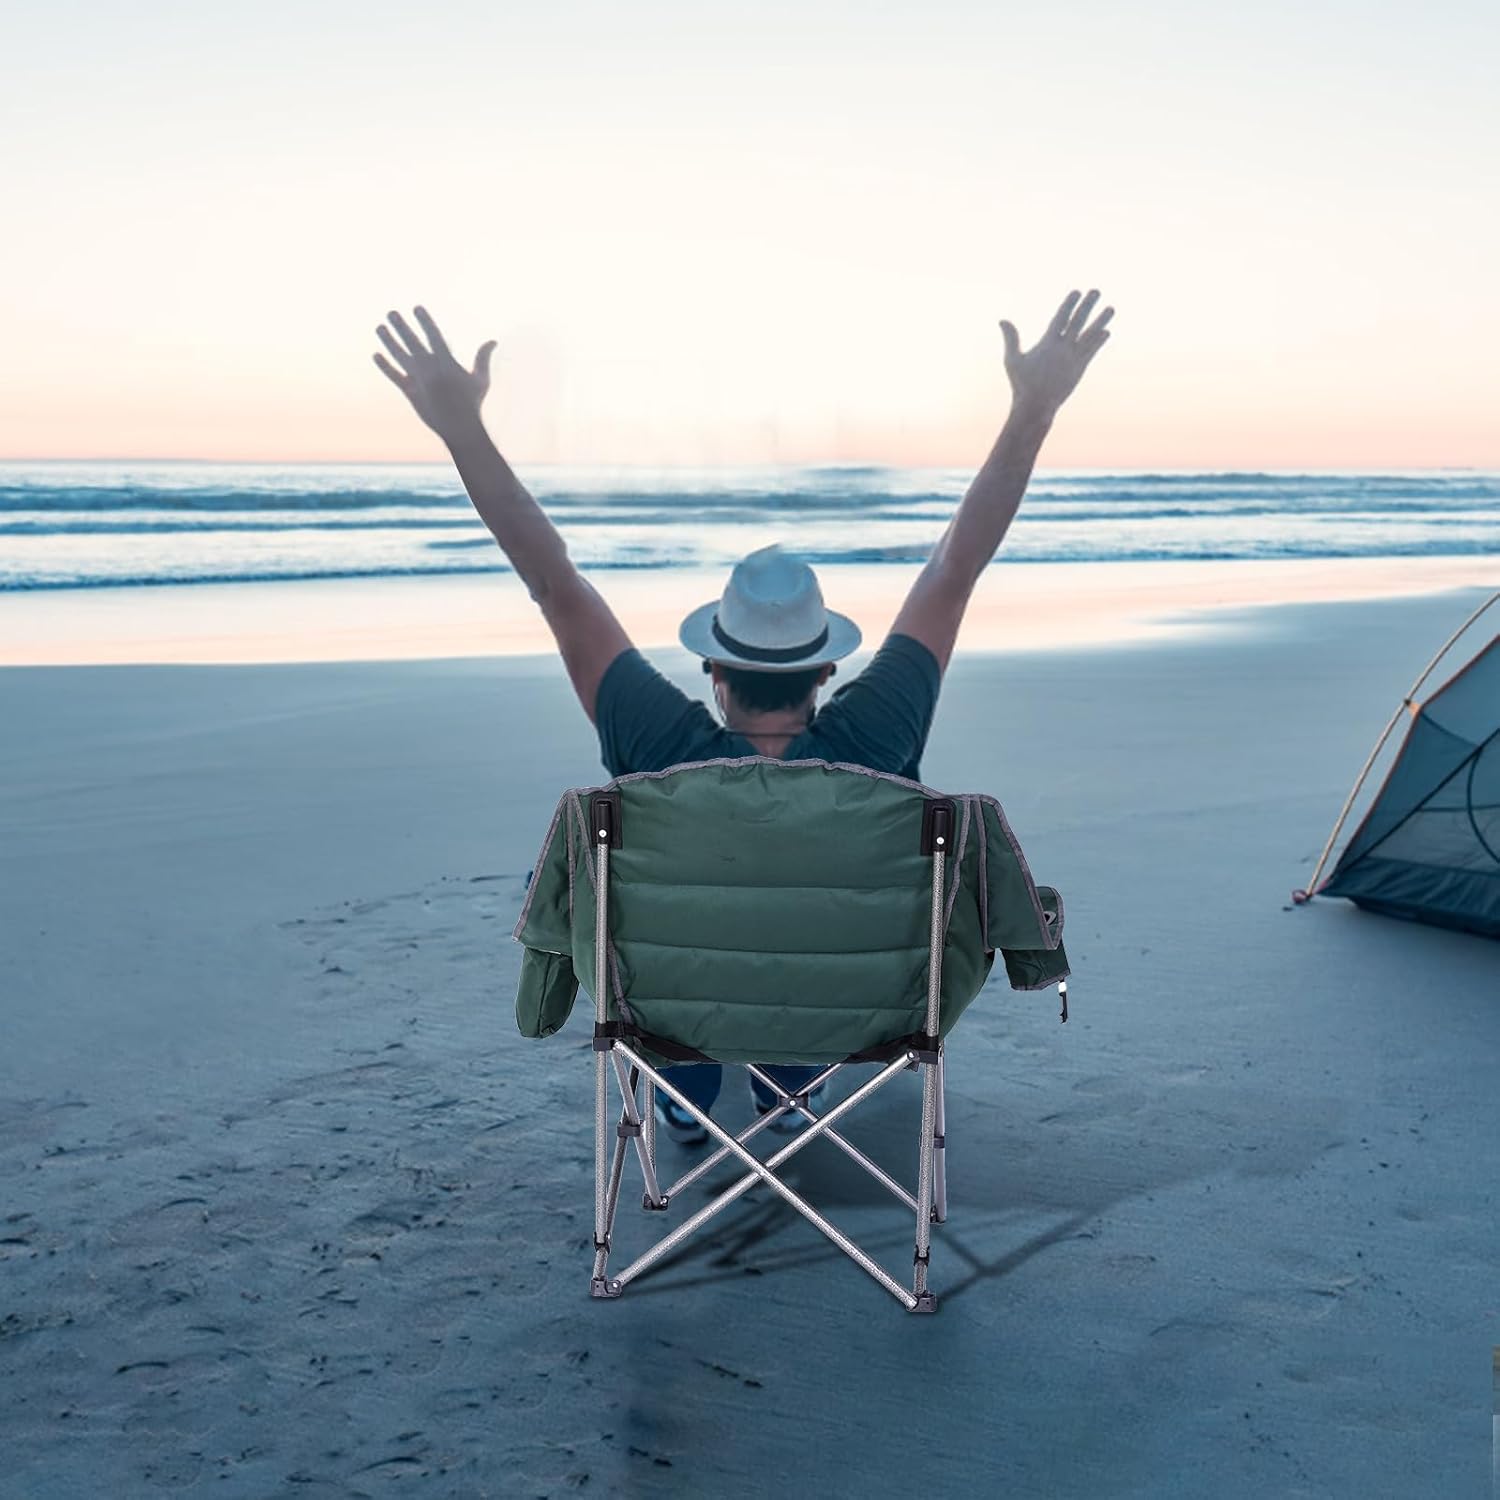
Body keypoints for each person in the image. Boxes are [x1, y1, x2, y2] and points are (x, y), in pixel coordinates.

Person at [373, 290, 1113, 1141]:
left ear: (713, 669)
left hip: (666, 1012)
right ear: (828, 670)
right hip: (852, 1014)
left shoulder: (657, 746)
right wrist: (1035, 408)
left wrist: (459, 428)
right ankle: (788, 1079)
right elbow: (955, 566)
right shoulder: (878, 735)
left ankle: (679, 1088)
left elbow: (554, 582)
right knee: (807, 936)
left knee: (686, 934)